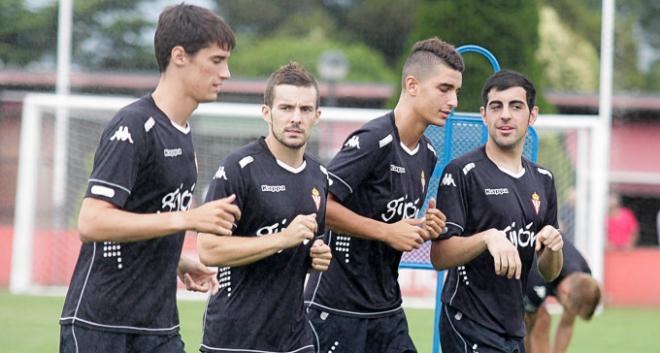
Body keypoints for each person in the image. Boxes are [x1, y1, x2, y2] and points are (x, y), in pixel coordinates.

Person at [59, 4, 240, 353]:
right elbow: (92, 221)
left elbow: (143, 218)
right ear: (179, 56)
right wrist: (187, 219)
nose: (226, 72)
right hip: (103, 326)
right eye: (216, 60)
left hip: (159, 327)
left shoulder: (183, 133)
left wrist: (176, 261)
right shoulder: (133, 126)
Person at [304, 37, 461, 353]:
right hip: (337, 310)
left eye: (456, 91)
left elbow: (391, 220)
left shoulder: (428, 153)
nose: (454, 100)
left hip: (387, 309)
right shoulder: (373, 140)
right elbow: (320, 205)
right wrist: (387, 232)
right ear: (412, 85)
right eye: (444, 89)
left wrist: (422, 228)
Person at [197, 62, 332, 353]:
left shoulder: (319, 176)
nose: (296, 118)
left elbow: (305, 246)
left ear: (317, 116)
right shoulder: (239, 169)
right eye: (286, 108)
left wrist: (314, 256)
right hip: (235, 339)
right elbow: (209, 250)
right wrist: (282, 238)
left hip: (294, 339)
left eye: (305, 110)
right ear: (266, 113)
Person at [431, 69, 564, 353]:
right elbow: (439, 256)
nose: (505, 115)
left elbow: (549, 272)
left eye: (516, 107)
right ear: (484, 115)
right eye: (496, 107)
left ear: (532, 115)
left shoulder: (544, 180)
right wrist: (486, 238)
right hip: (468, 322)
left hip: (514, 327)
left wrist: (554, 248)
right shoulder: (462, 172)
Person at [523, 241, 601, 353]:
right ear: (565, 292)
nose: (569, 312)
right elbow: (524, 329)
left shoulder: (582, 281)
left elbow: (567, 324)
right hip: (516, 262)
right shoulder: (537, 278)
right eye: (566, 307)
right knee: (540, 319)